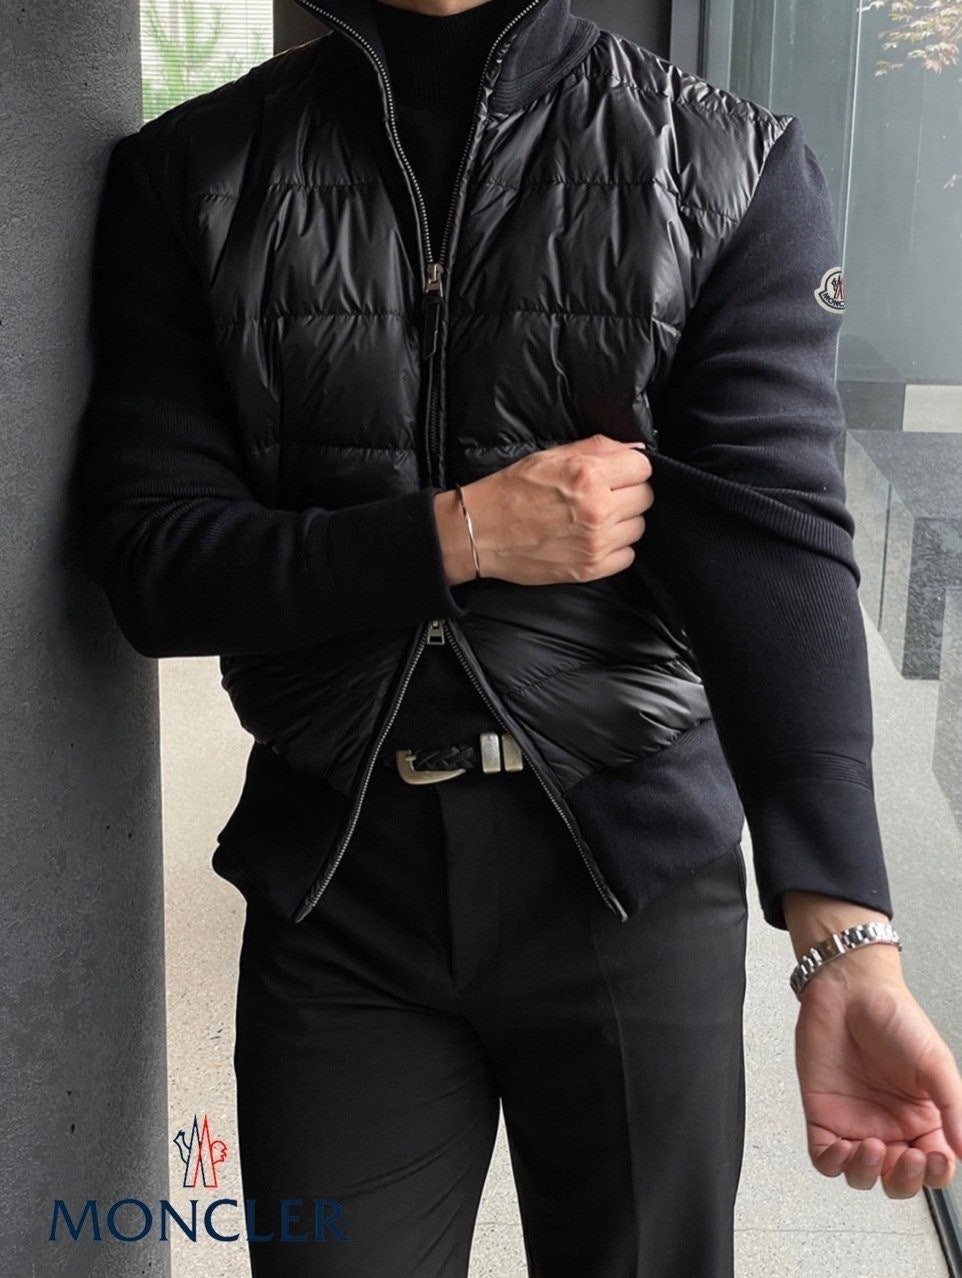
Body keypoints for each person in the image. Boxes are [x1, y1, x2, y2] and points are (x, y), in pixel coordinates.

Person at [78, 0, 962, 1273]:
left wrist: (847, 945)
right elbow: (154, 567)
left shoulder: (726, 162)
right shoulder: (192, 173)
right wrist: (456, 536)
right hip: (339, 883)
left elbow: (774, 564)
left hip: (628, 872)